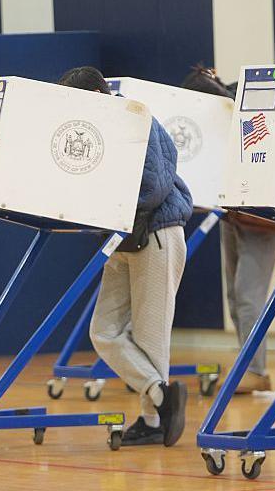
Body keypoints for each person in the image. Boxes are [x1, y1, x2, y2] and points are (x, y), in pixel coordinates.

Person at [58, 66, 192, 446]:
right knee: (104, 330)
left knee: (150, 337)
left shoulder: (137, 119)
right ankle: (162, 398)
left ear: (97, 97)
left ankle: (153, 422)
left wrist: (100, 203)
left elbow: (153, 185)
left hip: (157, 235)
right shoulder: (100, 129)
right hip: (123, 237)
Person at [181, 66, 275, 393]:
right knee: (235, 295)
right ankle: (250, 367)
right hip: (234, 214)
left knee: (248, 294)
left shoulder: (252, 115)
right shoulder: (221, 110)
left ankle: (255, 369)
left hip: (262, 217)